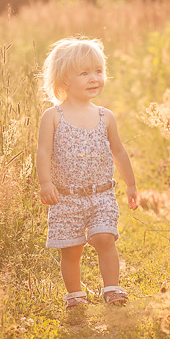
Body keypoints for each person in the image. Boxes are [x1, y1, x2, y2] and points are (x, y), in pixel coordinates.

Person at [36, 36, 138, 310]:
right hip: (65, 197)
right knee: (71, 250)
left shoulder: (106, 116)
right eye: (84, 73)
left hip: (101, 193)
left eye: (98, 71)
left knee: (104, 237)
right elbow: (43, 152)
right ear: (64, 80)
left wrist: (131, 184)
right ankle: (75, 295)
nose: (94, 78)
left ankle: (112, 289)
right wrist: (45, 182)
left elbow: (119, 151)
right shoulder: (53, 116)